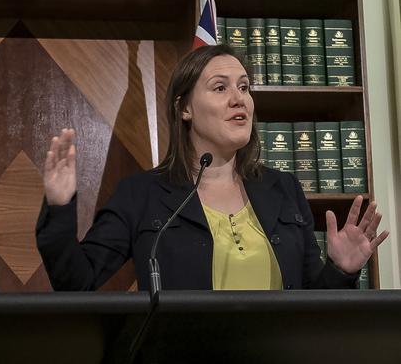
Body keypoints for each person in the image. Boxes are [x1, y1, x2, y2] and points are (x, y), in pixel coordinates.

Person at [36, 44, 388, 293]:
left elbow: (311, 305)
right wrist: (59, 205)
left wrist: (342, 270)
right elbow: (76, 281)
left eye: (244, 88)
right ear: (184, 108)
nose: (239, 99)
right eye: (220, 88)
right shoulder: (140, 194)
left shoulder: (283, 188)